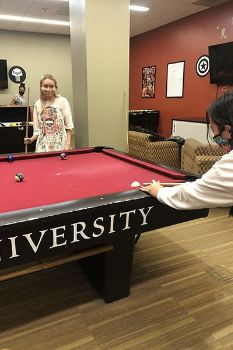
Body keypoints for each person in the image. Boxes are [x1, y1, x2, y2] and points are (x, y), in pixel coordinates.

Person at [140, 91, 233, 214]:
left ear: (227, 129)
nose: (214, 136)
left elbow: (191, 195)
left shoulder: (228, 166)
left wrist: (159, 191)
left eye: (213, 129)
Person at [24, 74, 74, 152]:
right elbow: (37, 130)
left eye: (51, 86)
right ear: (41, 87)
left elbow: (69, 126)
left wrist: (68, 143)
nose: (48, 89)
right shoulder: (37, 104)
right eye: (45, 86)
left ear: (56, 88)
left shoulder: (62, 101)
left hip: (60, 146)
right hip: (42, 148)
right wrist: (31, 140)